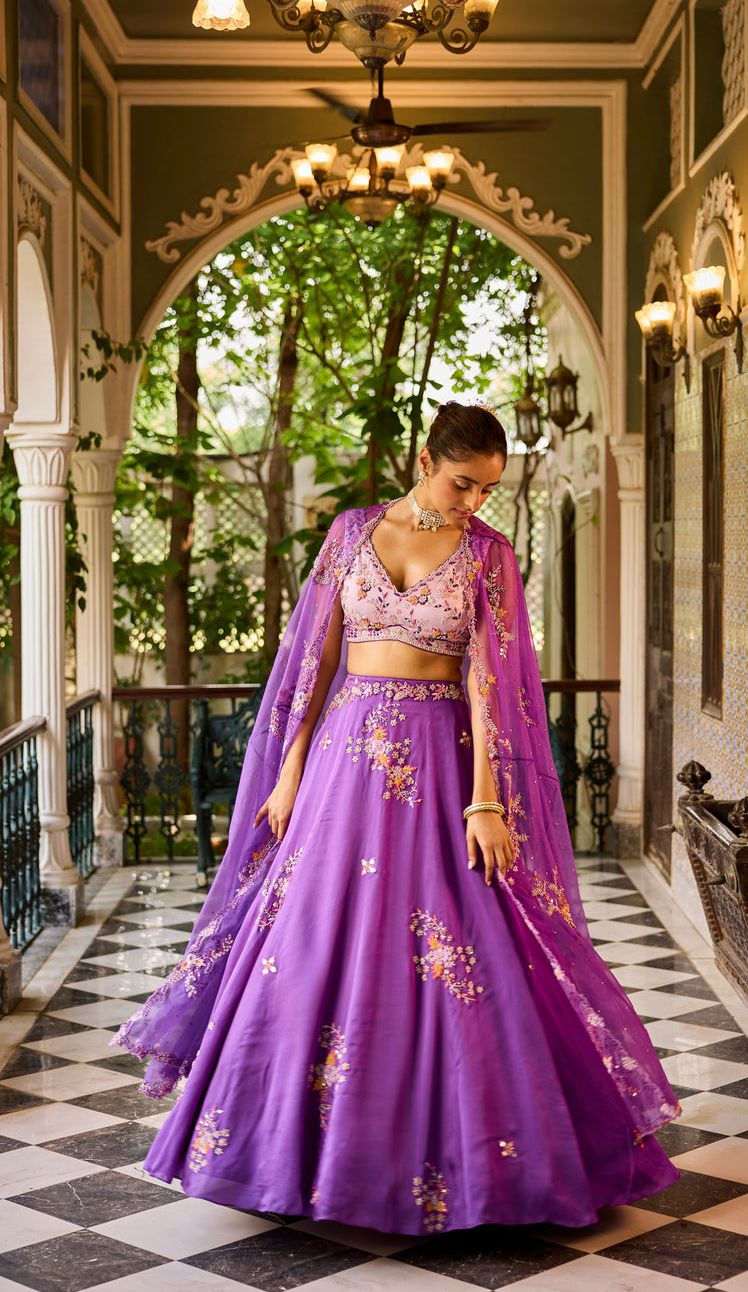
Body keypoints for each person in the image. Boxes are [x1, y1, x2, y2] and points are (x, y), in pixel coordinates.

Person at [113, 402, 680, 1235]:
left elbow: (492, 686)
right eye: (462, 484)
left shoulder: (488, 555)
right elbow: (318, 660)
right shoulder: (348, 533)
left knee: (463, 942)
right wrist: (289, 774)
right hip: (343, 759)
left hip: (443, 760)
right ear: (425, 459)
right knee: (310, 936)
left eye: (487, 489)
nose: (473, 502)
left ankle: (486, 1163)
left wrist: (487, 801)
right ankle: (293, 1162)